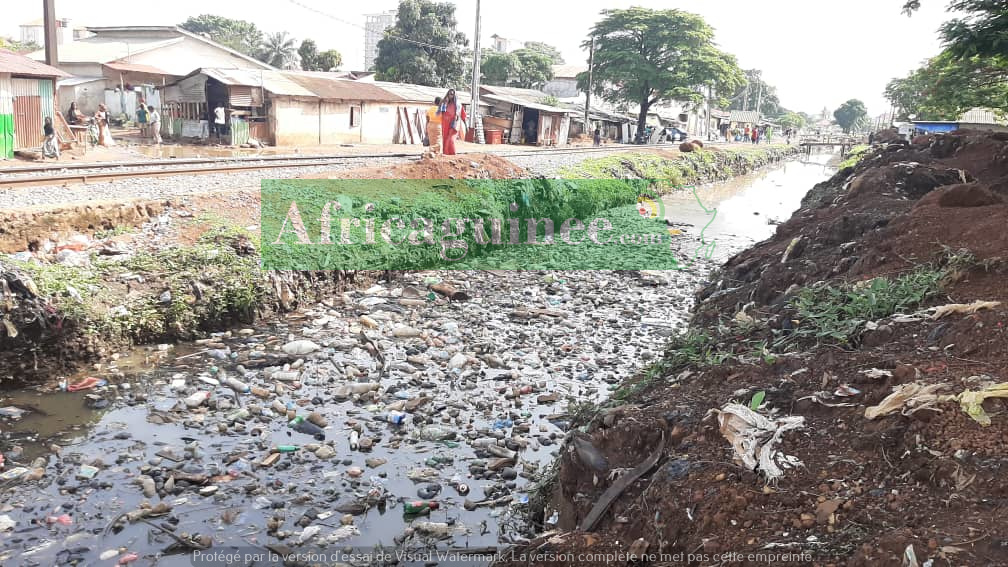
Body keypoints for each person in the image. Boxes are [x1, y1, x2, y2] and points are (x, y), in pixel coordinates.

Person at [439, 89, 466, 156]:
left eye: (452, 94)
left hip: (454, 123)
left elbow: (463, 115)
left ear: (454, 95)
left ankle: (452, 154)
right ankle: (445, 154)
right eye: (450, 94)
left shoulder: (458, 104)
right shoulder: (444, 103)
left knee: (450, 139)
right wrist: (445, 102)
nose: (451, 95)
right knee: (445, 138)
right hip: (445, 124)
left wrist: (466, 125)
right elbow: (440, 112)